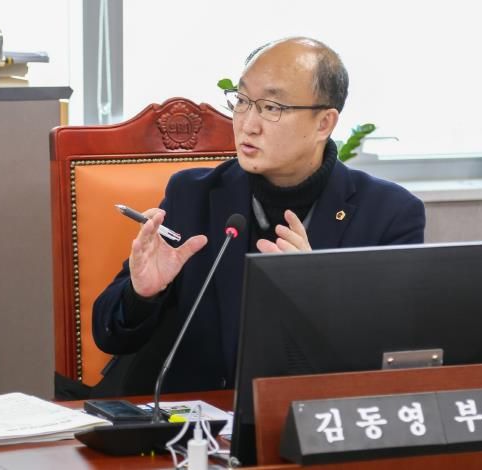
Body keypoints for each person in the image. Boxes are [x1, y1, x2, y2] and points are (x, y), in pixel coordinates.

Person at [92, 37, 425, 395]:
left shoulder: (388, 215)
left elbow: (395, 360)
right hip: (202, 420)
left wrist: (316, 296)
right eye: (242, 101)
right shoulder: (193, 195)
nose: (248, 124)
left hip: (313, 416)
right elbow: (109, 335)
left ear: (324, 123)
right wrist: (142, 295)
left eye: (271, 107)